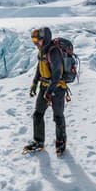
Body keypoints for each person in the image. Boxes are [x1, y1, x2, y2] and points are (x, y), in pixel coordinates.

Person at [24, 27, 68, 156]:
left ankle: (61, 143)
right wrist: (34, 83)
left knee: (58, 116)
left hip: (57, 88)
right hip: (45, 86)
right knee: (38, 114)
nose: (35, 43)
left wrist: (49, 92)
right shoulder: (42, 52)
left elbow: (57, 74)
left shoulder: (53, 52)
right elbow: (40, 68)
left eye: (37, 40)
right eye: (34, 40)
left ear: (45, 39)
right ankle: (38, 142)